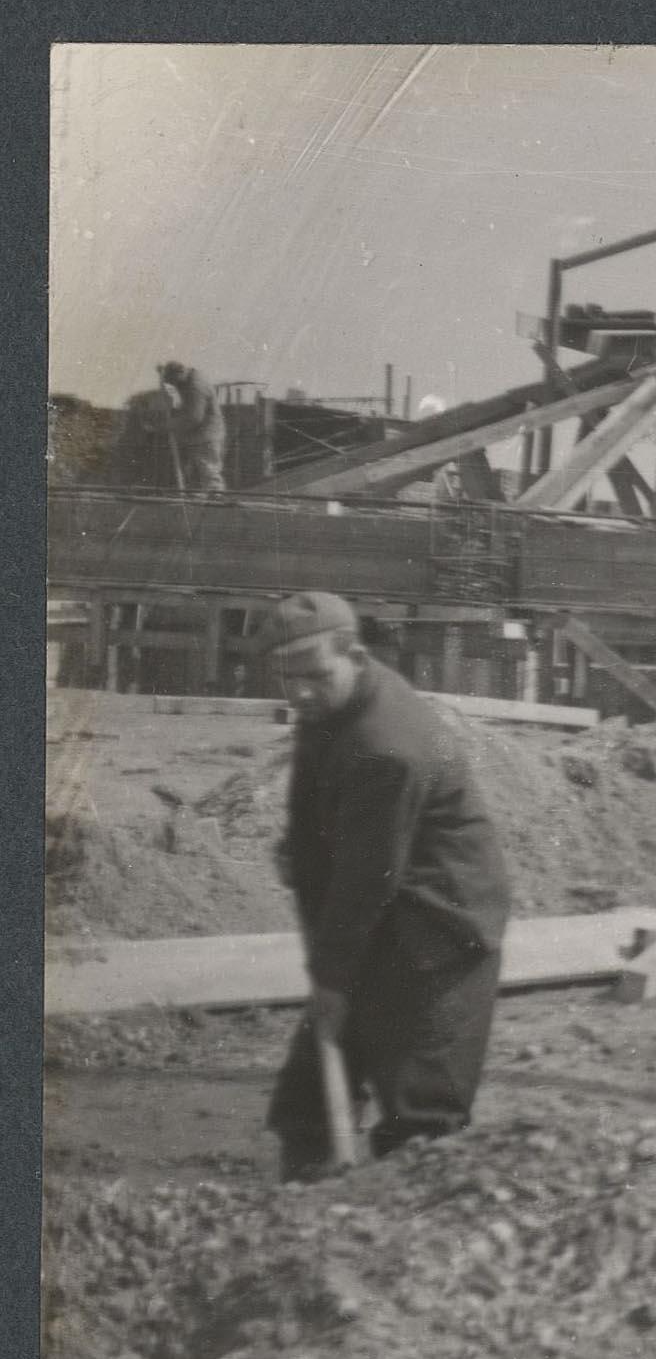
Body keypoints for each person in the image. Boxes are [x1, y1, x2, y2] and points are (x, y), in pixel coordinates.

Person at [261, 592, 512, 1182]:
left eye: (315, 676)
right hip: (383, 904)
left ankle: (407, 1242)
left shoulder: (386, 745)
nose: (298, 694)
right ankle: (308, 1205)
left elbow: (364, 881)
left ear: (356, 654)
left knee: (422, 1116)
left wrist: (330, 978)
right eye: (286, 680)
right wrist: (299, 855)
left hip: (442, 925)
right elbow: (319, 820)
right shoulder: (331, 704)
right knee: (309, 1098)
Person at [158, 361, 226, 491]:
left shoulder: (196, 386)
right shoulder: (186, 378)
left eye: (174, 381)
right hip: (198, 435)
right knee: (197, 472)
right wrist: (162, 374)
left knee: (209, 471)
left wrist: (169, 425)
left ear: (180, 373)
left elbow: (193, 417)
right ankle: (200, 501)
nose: (175, 385)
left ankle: (216, 500)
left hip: (207, 435)